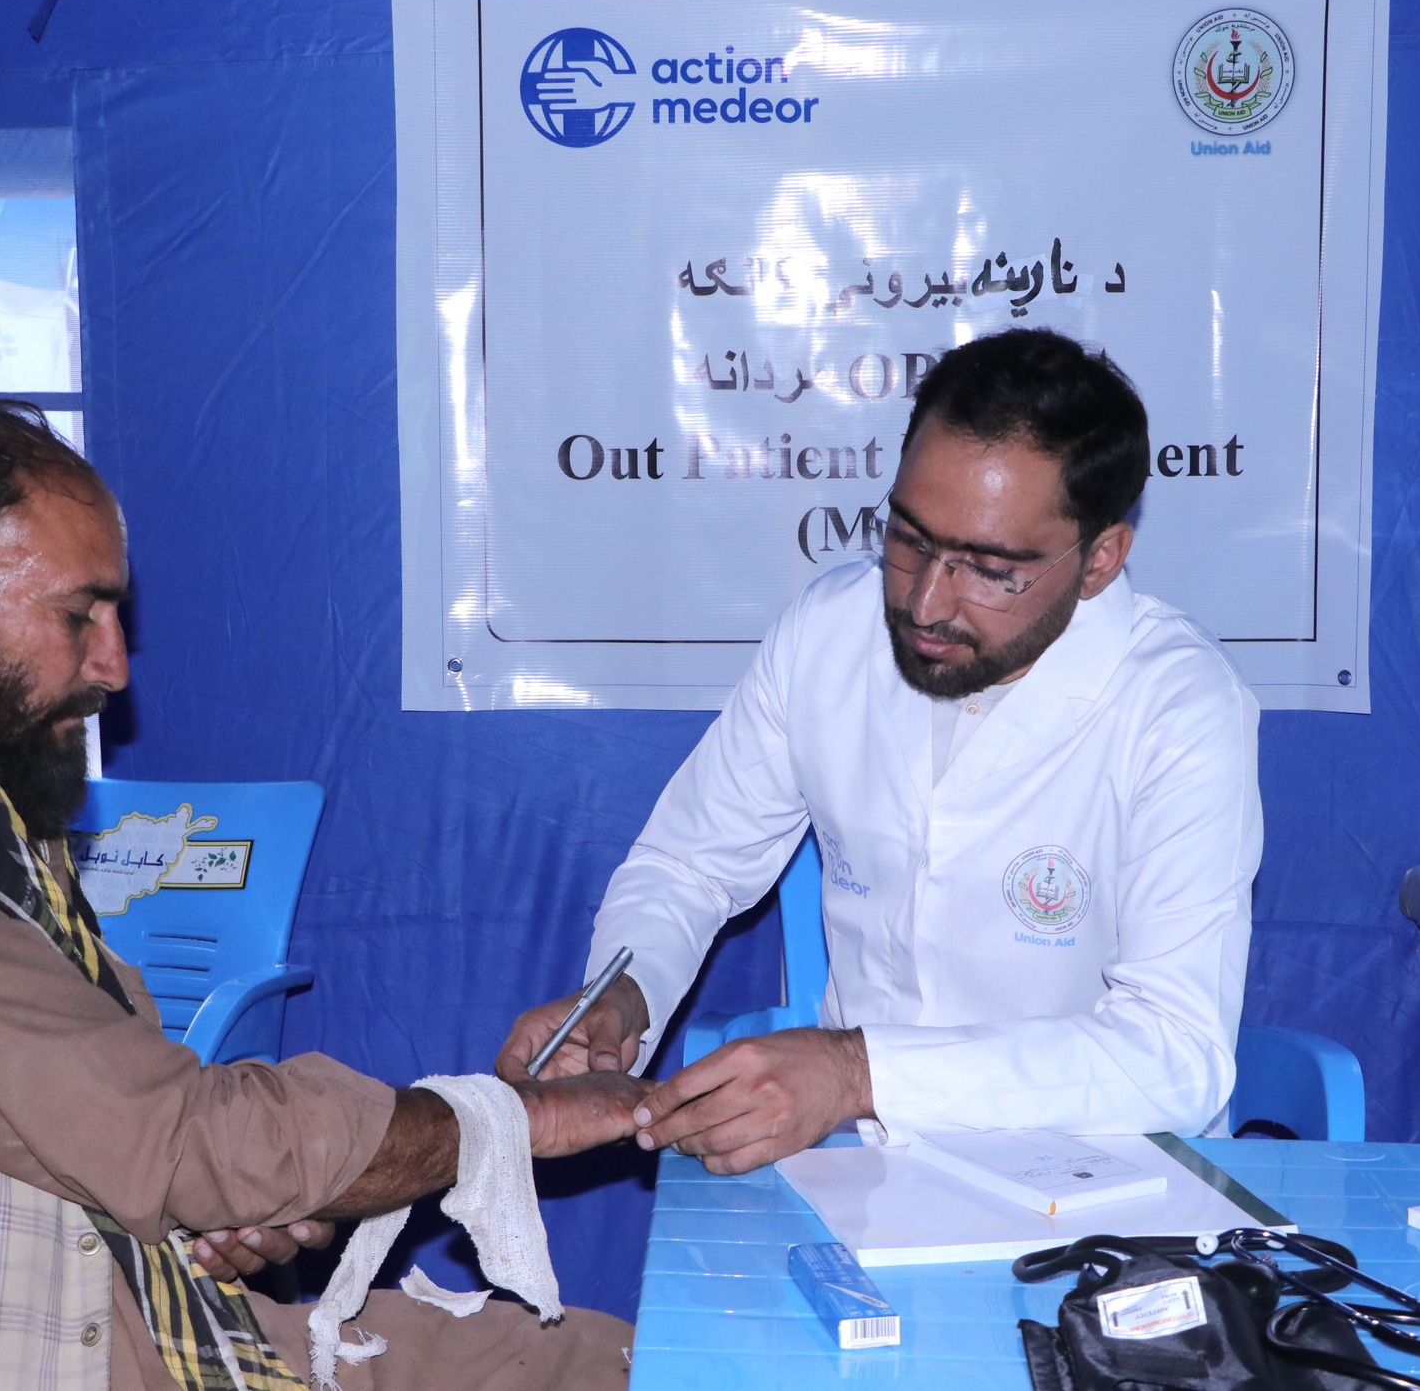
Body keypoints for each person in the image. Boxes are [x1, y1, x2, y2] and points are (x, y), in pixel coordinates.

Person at [0, 396, 647, 1390]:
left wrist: (213, 1212)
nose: (113, 666)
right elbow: (178, 1139)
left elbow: (113, 1131)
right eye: (79, 615)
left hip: (73, 1307)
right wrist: (513, 1121)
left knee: (611, 1362)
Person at [498, 328, 1262, 1175]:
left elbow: (1173, 1057)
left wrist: (857, 1073)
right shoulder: (830, 633)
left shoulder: (1181, 707)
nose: (926, 603)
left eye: (990, 569)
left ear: (1100, 560)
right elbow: (690, 866)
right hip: (862, 1173)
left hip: (1111, 1186)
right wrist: (621, 996)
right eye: (909, 538)